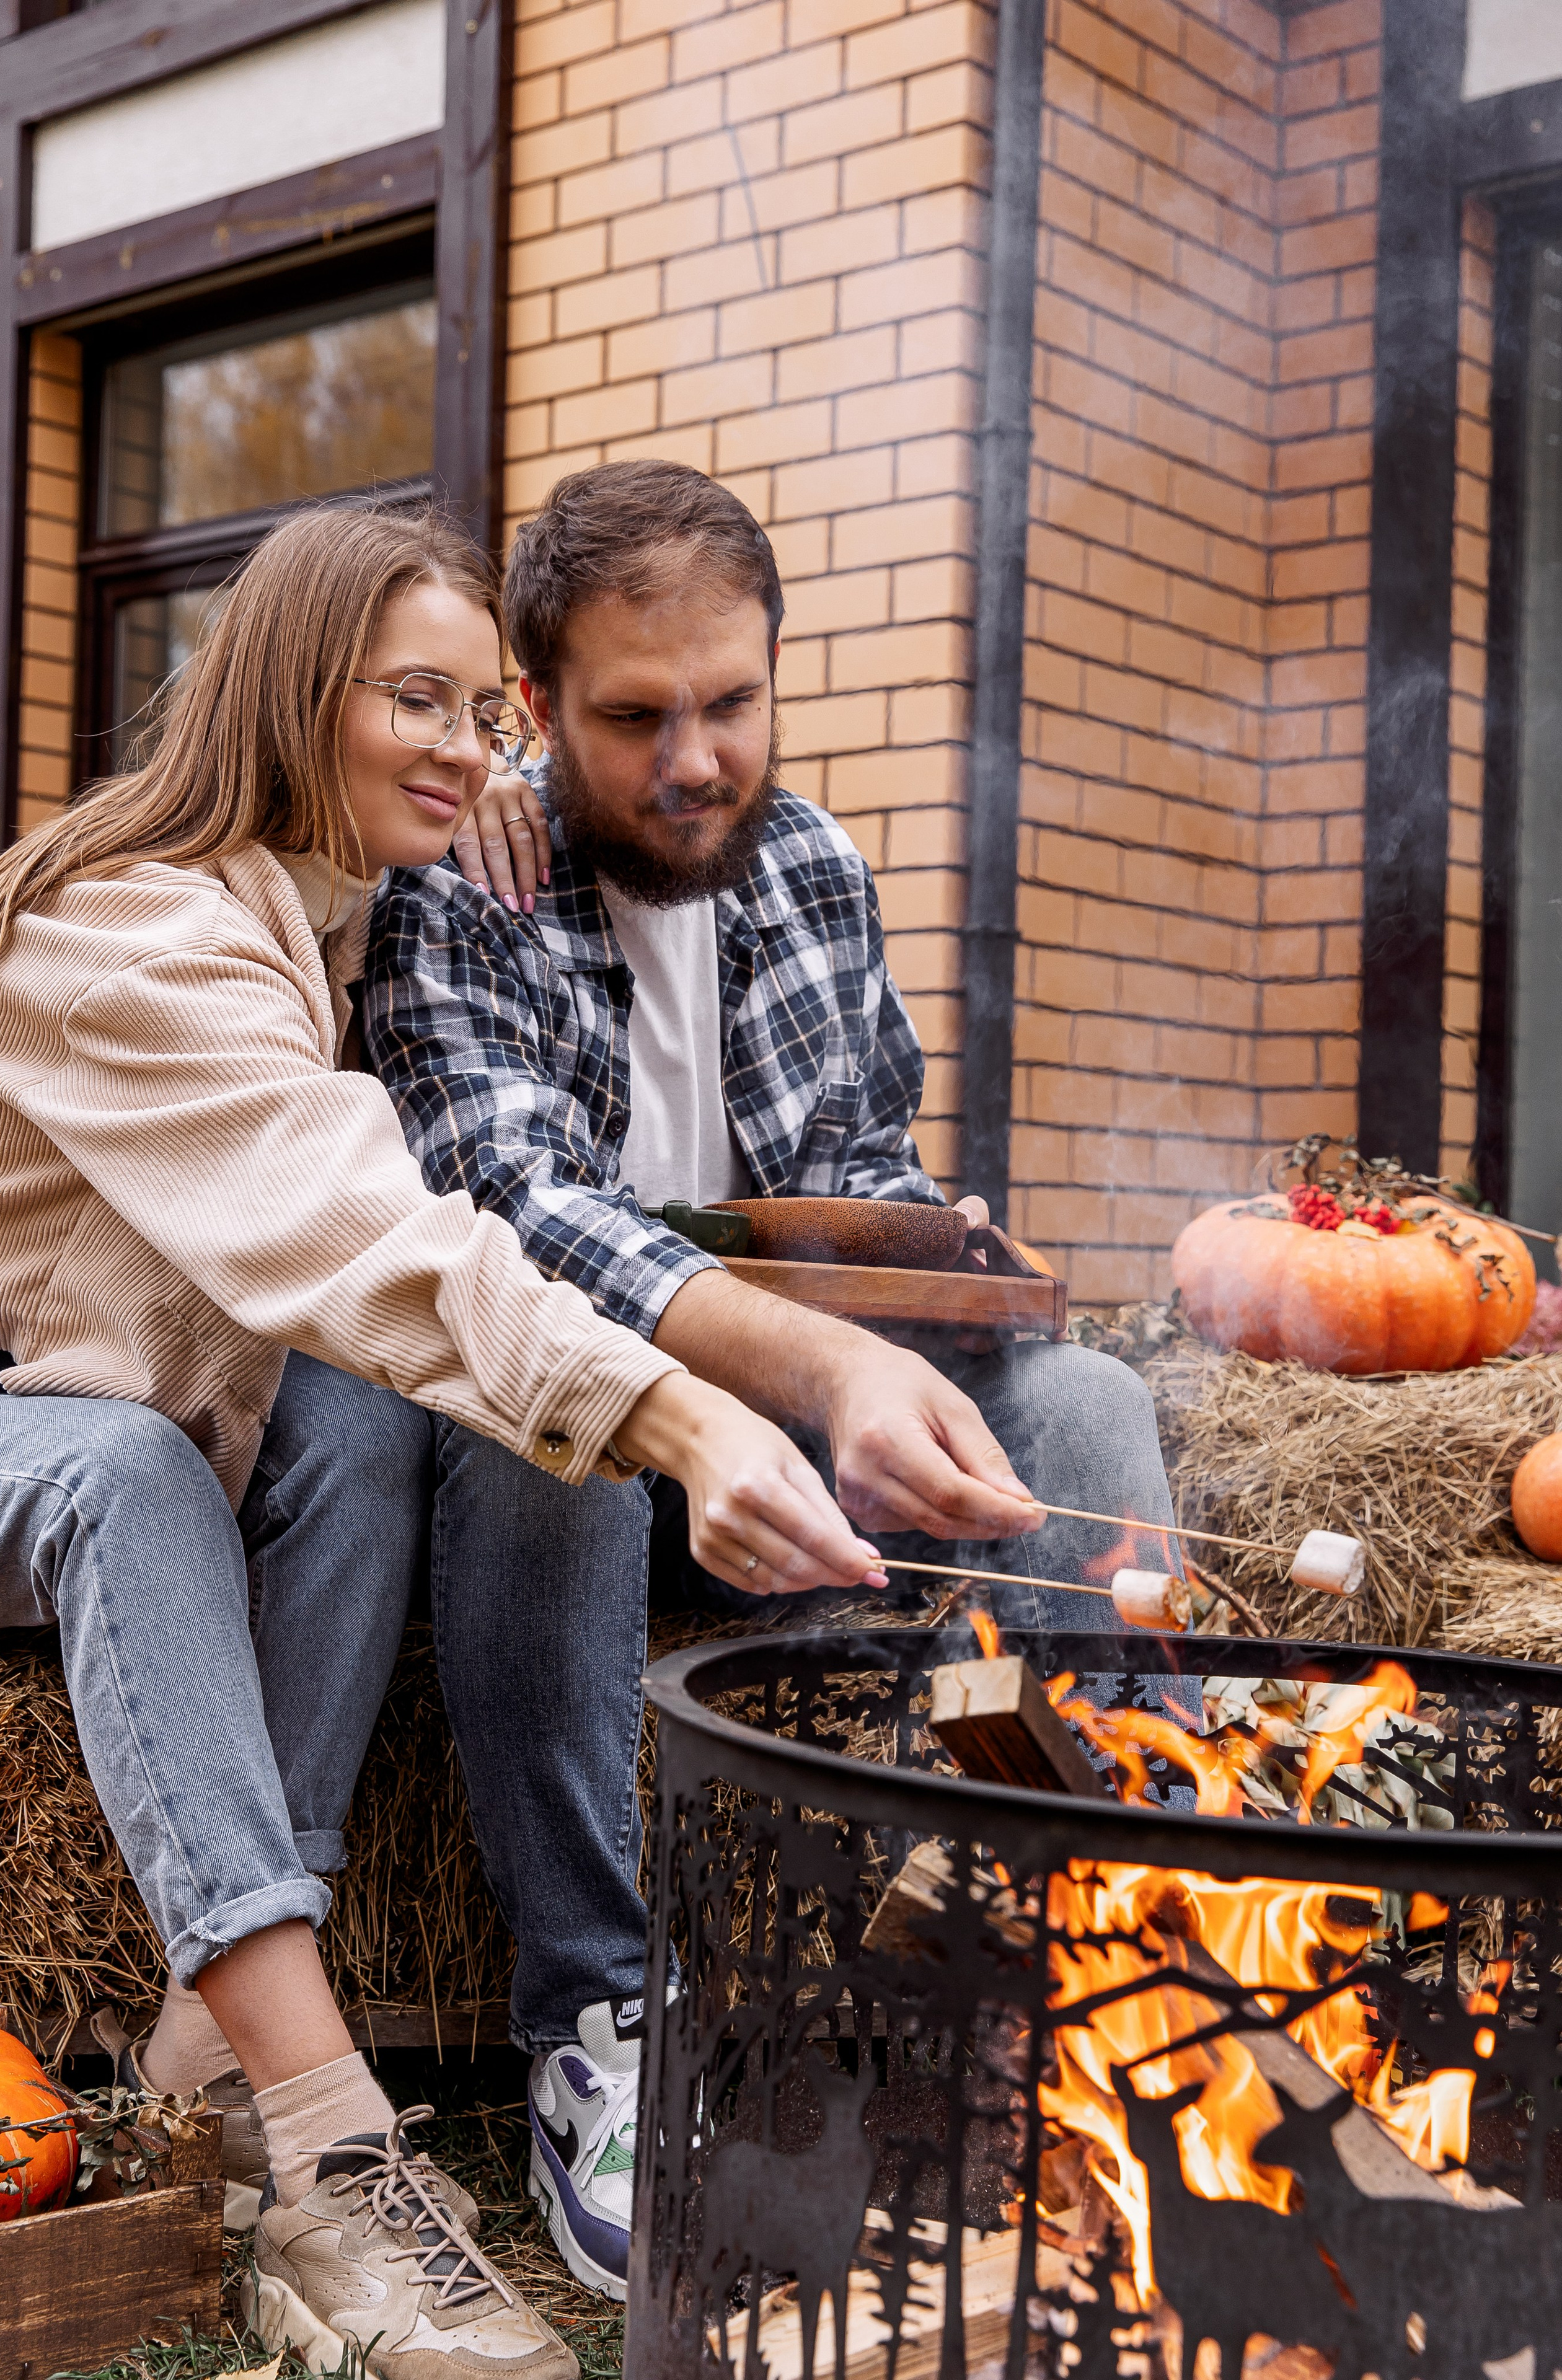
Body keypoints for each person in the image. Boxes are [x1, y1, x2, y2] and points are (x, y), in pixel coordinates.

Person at [0, 503, 905, 2376]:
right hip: (13, 1419)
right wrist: (686, 1410)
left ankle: (203, 2047)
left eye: (490, 713)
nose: (468, 751)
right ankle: (326, 2150)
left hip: (102, 1393)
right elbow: (375, 1234)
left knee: (357, 1390)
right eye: (421, 700)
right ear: (291, 686)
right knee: (126, 1467)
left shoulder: (318, 905)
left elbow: (356, 1300)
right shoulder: (132, 930)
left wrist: (483, 787)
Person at [362, 461, 1184, 2232]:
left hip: (813, 1428)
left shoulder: (810, 866)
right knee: (543, 1404)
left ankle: (1093, 1925)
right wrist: (812, 1373)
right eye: (634, 716)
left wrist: (942, 1255)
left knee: (1094, 1408)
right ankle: (602, 2008)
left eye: (731, 705)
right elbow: (512, 1212)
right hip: (596, 1461)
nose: (694, 763)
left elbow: (855, 1163)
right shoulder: (458, 892)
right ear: (536, 707)